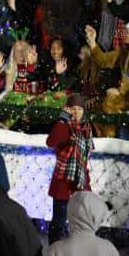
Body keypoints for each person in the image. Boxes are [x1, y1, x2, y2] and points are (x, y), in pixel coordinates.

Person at [46, 93, 93, 244]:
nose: (77, 112)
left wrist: (87, 185)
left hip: (79, 185)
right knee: (59, 223)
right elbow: (51, 141)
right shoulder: (64, 126)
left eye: (80, 108)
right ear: (68, 109)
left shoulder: (86, 129)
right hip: (63, 183)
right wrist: (62, 119)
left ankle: (75, 252)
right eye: (73, 108)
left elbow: (84, 160)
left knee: (80, 224)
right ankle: (53, 251)